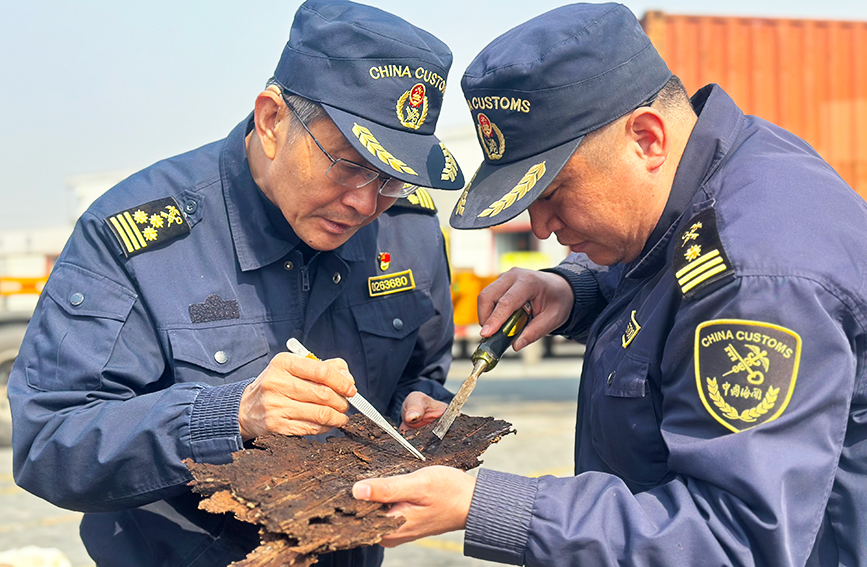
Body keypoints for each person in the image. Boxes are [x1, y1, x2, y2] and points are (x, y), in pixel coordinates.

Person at [351, 3, 867, 565]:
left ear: (646, 139)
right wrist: (576, 291)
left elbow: (731, 538)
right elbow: (664, 265)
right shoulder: (717, 171)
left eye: (553, 193)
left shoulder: (761, 277)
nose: (542, 227)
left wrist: (484, 506)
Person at [7, 1, 465, 566]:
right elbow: (50, 446)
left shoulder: (409, 229)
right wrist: (230, 415)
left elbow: (423, 370)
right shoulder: (141, 240)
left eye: (393, 179)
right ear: (272, 120)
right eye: (349, 165)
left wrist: (417, 409)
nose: (366, 203)